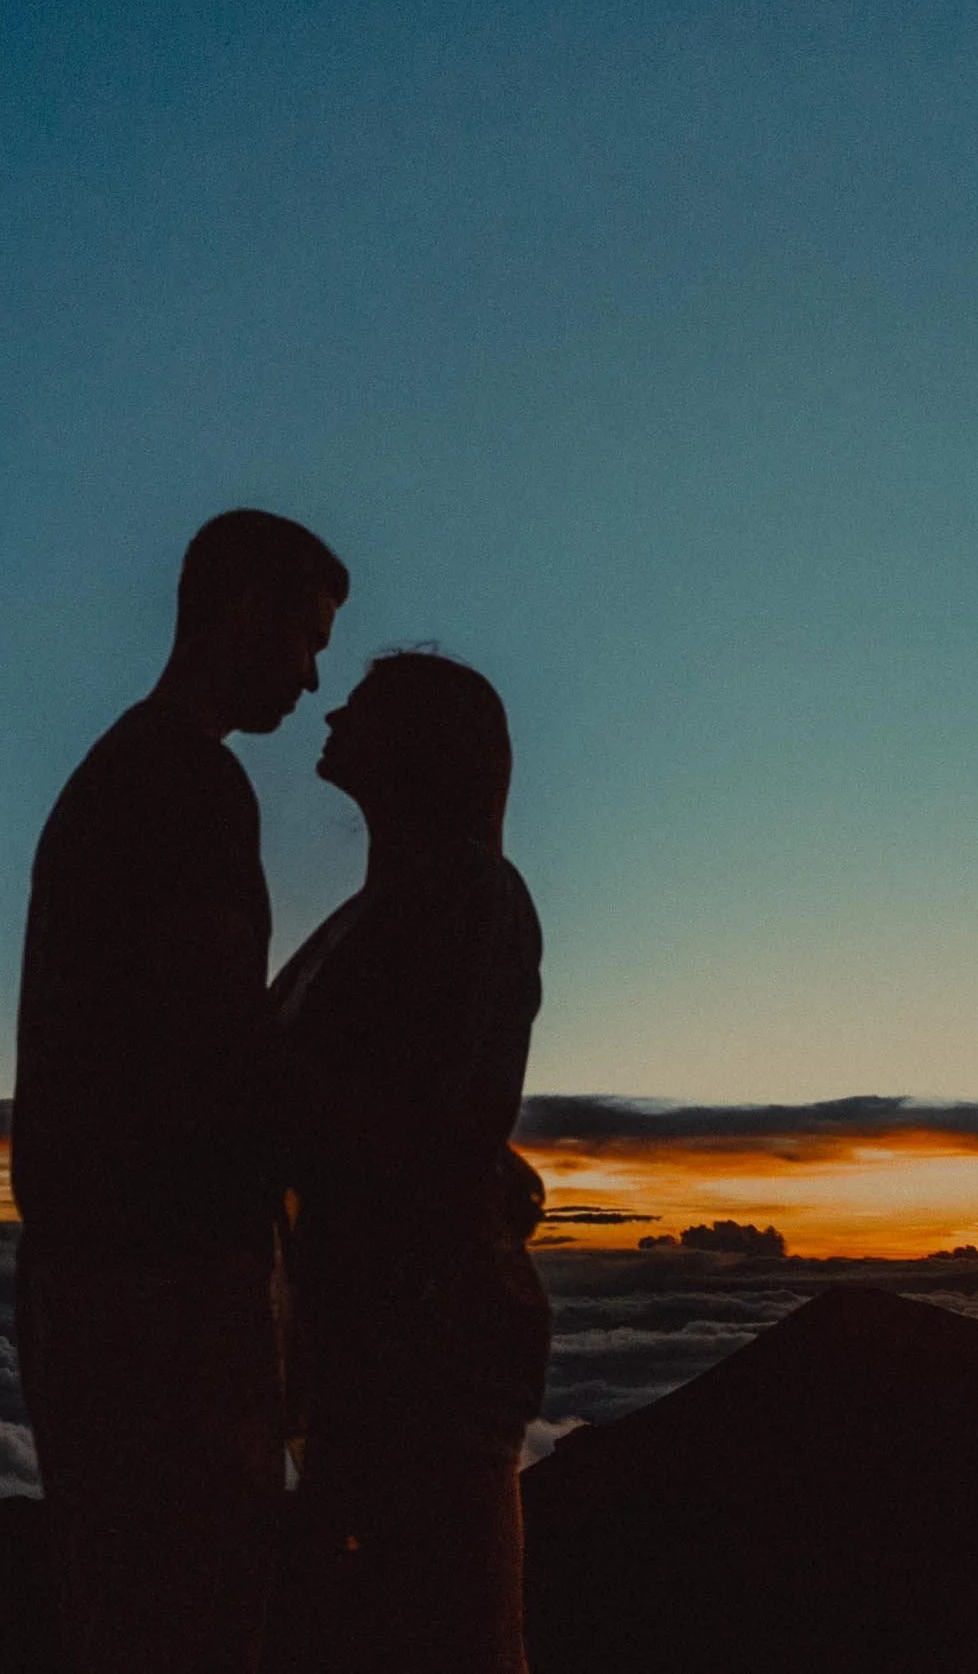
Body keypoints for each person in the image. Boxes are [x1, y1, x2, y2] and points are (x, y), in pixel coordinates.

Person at [11, 509, 349, 1674]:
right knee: (191, 1610)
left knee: (122, 1609)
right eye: (306, 640)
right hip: (160, 1290)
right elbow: (213, 1040)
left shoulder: (117, 771)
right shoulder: (186, 781)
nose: (315, 678)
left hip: (90, 1277)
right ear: (241, 610)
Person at [269, 650, 551, 1674]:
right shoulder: (399, 904)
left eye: (369, 706)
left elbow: (421, 1128)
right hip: (381, 1351)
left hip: (421, 1357)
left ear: (429, 746)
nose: (333, 710)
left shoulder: (464, 893)